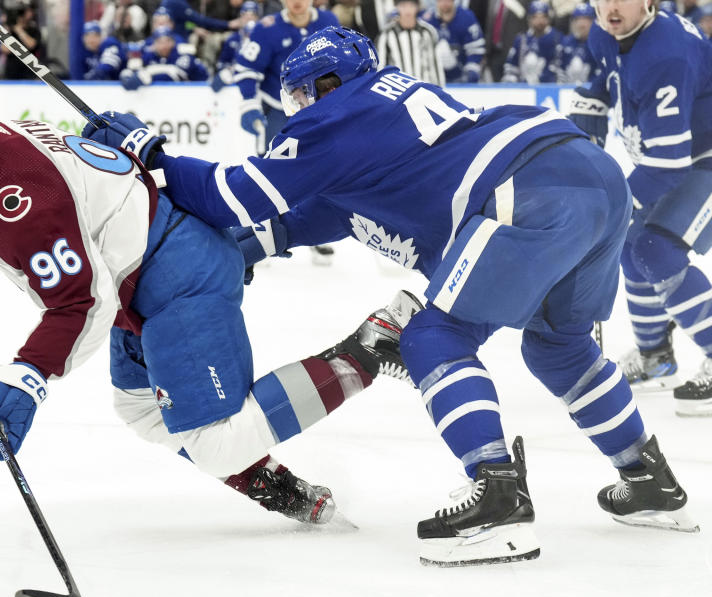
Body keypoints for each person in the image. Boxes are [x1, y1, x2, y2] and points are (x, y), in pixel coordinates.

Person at [85, 25, 699, 566]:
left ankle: (498, 493)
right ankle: (648, 478)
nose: (296, 109)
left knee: (433, 335)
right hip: (589, 179)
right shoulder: (385, 111)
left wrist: (151, 151)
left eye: (301, 94)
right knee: (559, 348)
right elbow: (325, 211)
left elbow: (233, 194)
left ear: (328, 85)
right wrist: (240, 251)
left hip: (526, 189)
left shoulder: (338, 114)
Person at [0, 80, 409, 526]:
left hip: (177, 274)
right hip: (142, 272)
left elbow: (83, 306)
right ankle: (281, 486)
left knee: (216, 442)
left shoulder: (23, 200)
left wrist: (27, 377)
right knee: (142, 408)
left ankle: (369, 348)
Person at [566, 0, 712, 416]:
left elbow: (667, 163)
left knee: (656, 247)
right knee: (633, 243)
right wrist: (591, 101)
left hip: (702, 158)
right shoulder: (606, 33)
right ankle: (655, 358)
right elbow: (613, 76)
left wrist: (611, 212)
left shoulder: (666, 52)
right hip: (685, 156)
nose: (611, 6)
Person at [233, 0, 338, 150]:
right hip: (278, 108)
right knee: (273, 160)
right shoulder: (266, 27)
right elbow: (247, 68)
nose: (297, 1)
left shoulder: (329, 21)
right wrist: (249, 103)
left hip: (322, 108)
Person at [376, 0, 445, 86]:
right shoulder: (386, 34)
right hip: (398, 90)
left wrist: (440, 90)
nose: (408, 10)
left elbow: (435, 64)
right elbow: (381, 68)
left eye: (411, 5)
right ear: (397, 7)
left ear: (417, 7)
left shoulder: (428, 32)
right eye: (403, 5)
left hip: (424, 89)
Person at [119, 26, 209, 89]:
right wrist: (127, 76)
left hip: (197, 92)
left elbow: (178, 77)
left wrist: (148, 77)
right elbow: (133, 70)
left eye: (167, 41)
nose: (164, 45)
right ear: (154, 44)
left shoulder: (183, 55)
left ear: (173, 42)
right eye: (159, 42)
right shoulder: (149, 55)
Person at [422, 0, 485, 84]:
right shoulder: (427, 19)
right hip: (436, 78)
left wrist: (471, 71)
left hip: (462, 76)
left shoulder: (467, 17)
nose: (444, 3)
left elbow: (476, 49)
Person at [501, 1, 563, 83]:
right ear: (529, 19)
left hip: (549, 88)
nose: (539, 21)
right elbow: (511, 66)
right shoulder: (521, 39)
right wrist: (511, 82)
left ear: (548, 19)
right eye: (535, 17)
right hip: (524, 89)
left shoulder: (557, 39)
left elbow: (560, 68)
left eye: (543, 17)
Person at [557, 2, 594, 83]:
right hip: (567, 90)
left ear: (593, 22)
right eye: (578, 20)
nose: (582, 24)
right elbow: (560, 71)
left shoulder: (600, 45)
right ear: (573, 22)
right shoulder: (565, 42)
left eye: (586, 20)